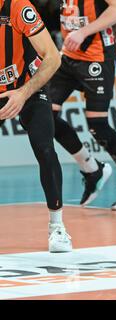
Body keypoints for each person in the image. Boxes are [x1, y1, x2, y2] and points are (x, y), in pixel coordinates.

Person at [49, 0, 116, 210]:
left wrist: (83, 32)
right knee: (45, 117)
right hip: (68, 58)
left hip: (97, 59)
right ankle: (92, 169)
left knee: (97, 125)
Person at [0, 0, 71, 252]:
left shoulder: (18, 6)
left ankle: (58, 227)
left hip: (26, 85)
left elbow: (53, 57)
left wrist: (22, 93)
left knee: (44, 147)